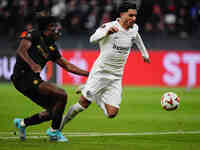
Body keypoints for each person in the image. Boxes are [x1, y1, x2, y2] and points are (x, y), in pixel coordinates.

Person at [59, 2, 150, 131]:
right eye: (131, 15)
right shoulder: (109, 26)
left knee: (111, 113)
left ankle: (95, 94)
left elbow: (137, 38)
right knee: (82, 105)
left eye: (135, 16)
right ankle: (57, 129)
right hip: (100, 73)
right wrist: (106, 33)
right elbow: (92, 39)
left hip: (116, 77)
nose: (134, 19)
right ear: (122, 14)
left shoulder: (134, 28)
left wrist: (144, 54)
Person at [11, 16, 89, 142]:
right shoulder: (34, 35)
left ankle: (22, 123)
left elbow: (68, 66)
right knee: (62, 95)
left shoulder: (52, 48)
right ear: (48, 29)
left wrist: (89, 74)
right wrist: (32, 64)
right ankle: (54, 133)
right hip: (22, 76)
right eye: (54, 27)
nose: (57, 30)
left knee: (54, 111)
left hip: (32, 78)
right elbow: (21, 50)